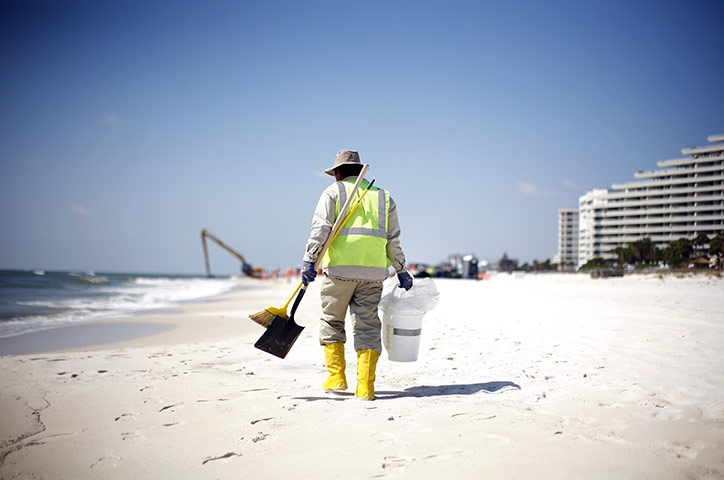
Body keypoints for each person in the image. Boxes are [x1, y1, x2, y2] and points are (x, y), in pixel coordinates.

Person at [301, 150, 413, 401]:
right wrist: (401, 269)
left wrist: (309, 261)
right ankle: (365, 387)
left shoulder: (332, 192)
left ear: (338, 173)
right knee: (368, 327)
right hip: (373, 273)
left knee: (332, 321)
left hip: (339, 271)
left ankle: (337, 376)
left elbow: (320, 230)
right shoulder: (384, 198)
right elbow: (392, 239)